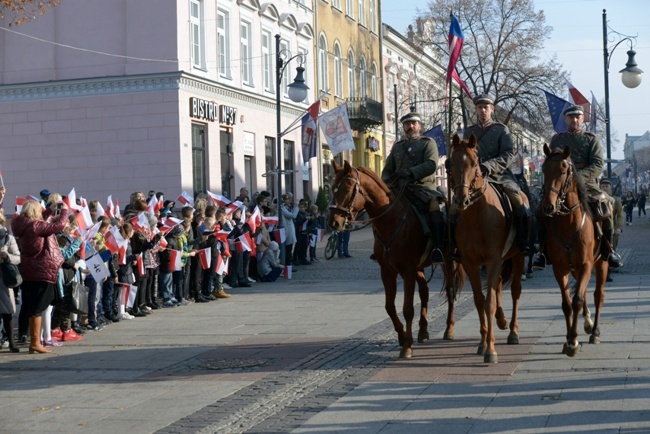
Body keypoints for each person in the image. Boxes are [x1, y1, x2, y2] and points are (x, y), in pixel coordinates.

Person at [534, 105, 622, 269]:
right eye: (571, 117)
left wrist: (577, 177)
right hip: (560, 184)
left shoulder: (590, 139)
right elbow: (552, 162)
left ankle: (609, 250)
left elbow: (597, 164)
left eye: (577, 117)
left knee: (605, 205)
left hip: (586, 183)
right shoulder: (557, 139)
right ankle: (542, 252)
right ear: (566, 119)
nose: (574, 120)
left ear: (582, 119)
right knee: (541, 210)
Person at [461, 94, 532, 256]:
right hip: (474, 178)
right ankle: (457, 245)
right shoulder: (469, 131)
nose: (483, 110)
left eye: (486, 107)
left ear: (492, 109)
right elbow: (464, 154)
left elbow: (507, 154)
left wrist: (488, 166)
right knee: (456, 205)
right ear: (476, 109)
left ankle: (523, 241)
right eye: (480, 107)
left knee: (517, 199)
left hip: (499, 175)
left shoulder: (501, 130)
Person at [381, 111, 445, 262]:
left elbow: (431, 165)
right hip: (400, 190)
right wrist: (387, 182)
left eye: (413, 124)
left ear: (419, 126)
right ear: (403, 127)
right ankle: (381, 245)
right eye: (407, 124)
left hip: (423, 188)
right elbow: (387, 170)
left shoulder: (428, 143)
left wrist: (410, 172)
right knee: (381, 209)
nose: (411, 127)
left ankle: (437, 247)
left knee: (434, 209)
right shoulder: (398, 147)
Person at [12, 199, 69, 354]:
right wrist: (65, 211)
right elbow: (59, 226)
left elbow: (38, 223)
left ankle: (34, 340)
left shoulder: (20, 224)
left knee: (31, 305)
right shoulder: (35, 226)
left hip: (29, 271)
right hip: (42, 270)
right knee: (38, 307)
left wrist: (49, 210)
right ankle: (35, 343)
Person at [0, 214, 21, 353]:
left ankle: (12, 342)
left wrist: (7, 256)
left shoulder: (8, 238)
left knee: (7, 311)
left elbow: (18, 258)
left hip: (4, 279)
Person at [600, 178, 623, 282]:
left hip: (611, 228)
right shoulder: (596, 198)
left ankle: (609, 269)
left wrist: (618, 227)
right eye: (603, 186)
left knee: (610, 249)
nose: (605, 188)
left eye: (606, 186)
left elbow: (620, 215)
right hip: (598, 227)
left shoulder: (616, 200)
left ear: (610, 187)